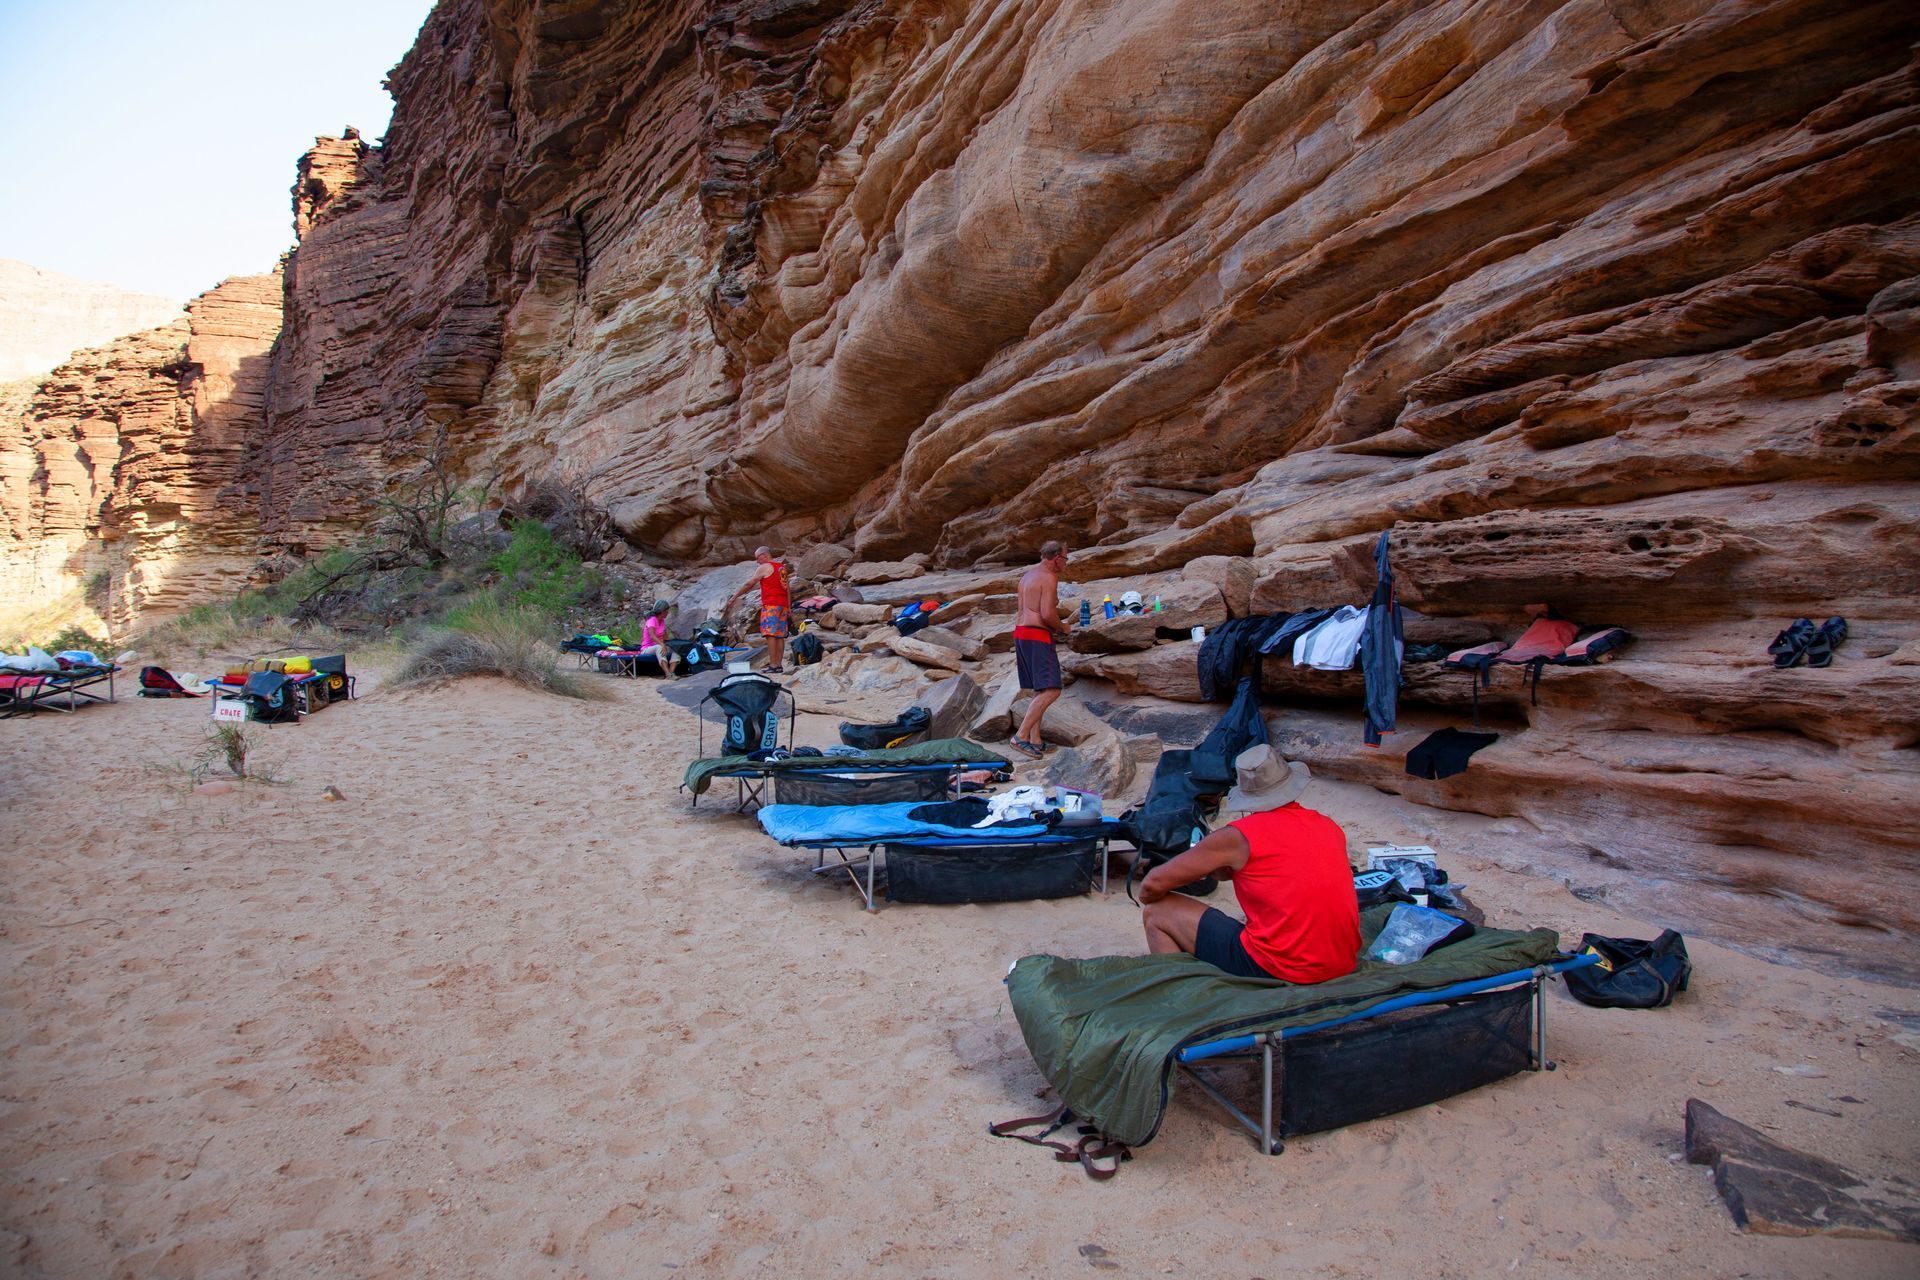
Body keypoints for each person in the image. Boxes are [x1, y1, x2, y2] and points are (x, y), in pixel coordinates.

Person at [1138, 744, 1360, 983]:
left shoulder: (1238, 837)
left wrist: (1152, 895)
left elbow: (1153, 883)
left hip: (1281, 966)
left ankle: (1182, 996)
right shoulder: (1328, 826)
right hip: (1342, 961)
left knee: (1157, 911)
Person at [1011, 540, 1071, 758]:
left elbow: (1022, 610)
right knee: (1053, 689)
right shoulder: (1049, 577)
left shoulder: (1027, 577)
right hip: (1037, 635)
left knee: (1040, 689)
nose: (1066, 563)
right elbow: (1046, 613)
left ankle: (1036, 741)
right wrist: (1063, 627)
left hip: (1021, 634)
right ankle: (1021, 736)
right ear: (1057, 559)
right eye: (1066, 558)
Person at [725, 546, 792, 673]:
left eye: (758, 558)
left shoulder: (765, 567)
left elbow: (749, 584)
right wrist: (789, 606)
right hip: (782, 605)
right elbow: (787, 588)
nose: (757, 562)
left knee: (770, 634)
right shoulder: (781, 568)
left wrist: (735, 596)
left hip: (771, 605)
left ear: (764, 555)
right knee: (780, 635)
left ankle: (773, 665)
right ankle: (779, 665)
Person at [639, 601, 679, 677]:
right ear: (662, 611)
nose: (668, 612)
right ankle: (667, 674)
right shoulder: (652, 620)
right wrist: (662, 644)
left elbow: (665, 637)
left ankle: (671, 672)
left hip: (659, 646)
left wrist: (670, 644)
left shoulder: (662, 621)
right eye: (667, 611)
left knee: (677, 648)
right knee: (659, 647)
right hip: (647, 648)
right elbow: (652, 636)